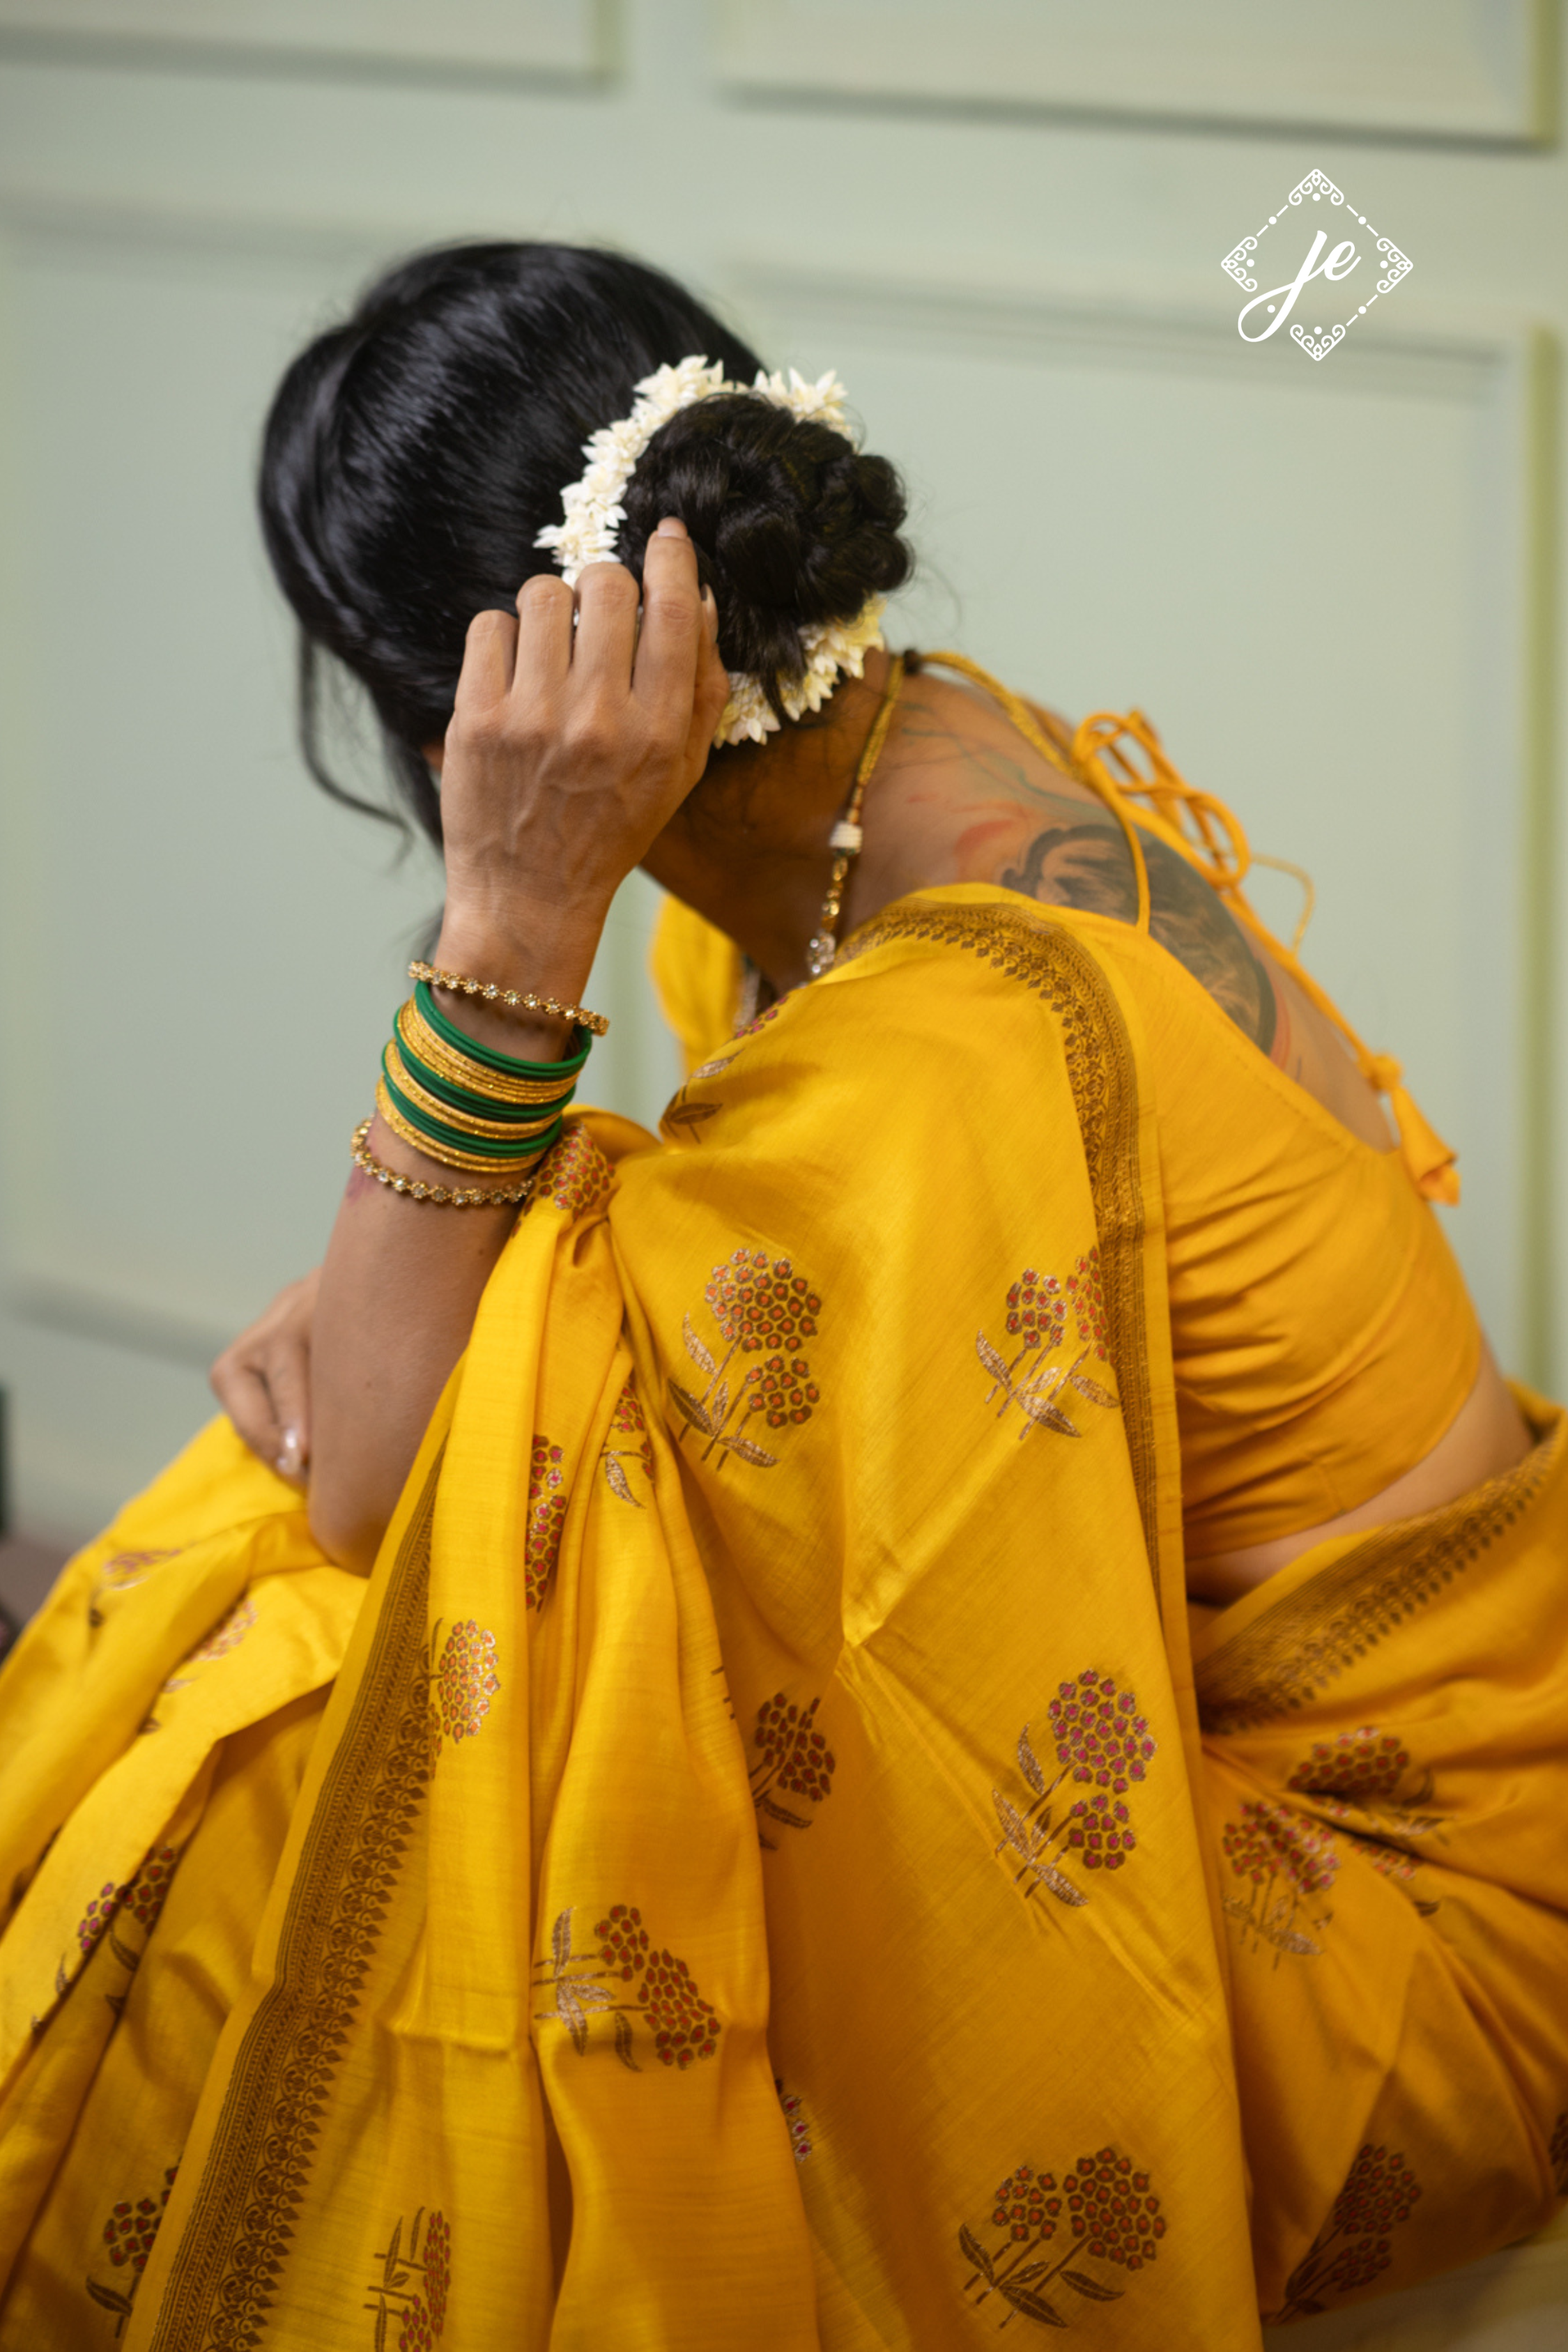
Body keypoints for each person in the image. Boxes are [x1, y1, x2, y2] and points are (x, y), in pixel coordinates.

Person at [0, 241, 1563, 2352]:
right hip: (1346, 1713)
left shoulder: (953, 1016)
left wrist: (511, 921)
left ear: (465, 720)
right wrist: (454, 1310)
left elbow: (380, 1479)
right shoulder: (910, 766)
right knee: (335, 1617)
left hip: (1417, 1914)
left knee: (319, 1729)